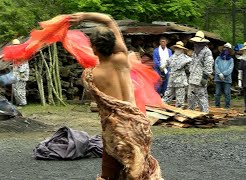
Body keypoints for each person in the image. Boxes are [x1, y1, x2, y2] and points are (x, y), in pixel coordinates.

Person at [69, 12, 162, 180]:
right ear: (114, 45)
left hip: (115, 130)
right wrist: (84, 16)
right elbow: (108, 20)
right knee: (140, 170)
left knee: (110, 174)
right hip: (137, 124)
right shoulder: (122, 59)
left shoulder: (89, 75)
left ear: (94, 48)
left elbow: (98, 102)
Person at [187, 31, 214, 112]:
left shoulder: (207, 51)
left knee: (202, 97)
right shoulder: (195, 52)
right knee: (191, 96)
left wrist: (205, 77)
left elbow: (208, 65)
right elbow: (192, 63)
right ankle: (191, 112)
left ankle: (205, 113)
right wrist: (189, 71)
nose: (195, 43)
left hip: (200, 78)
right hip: (192, 78)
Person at [162, 41, 191, 108]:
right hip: (172, 78)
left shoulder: (187, 59)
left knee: (180, 95)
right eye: (176, 48)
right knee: (167, 94)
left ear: (182, 50)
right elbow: (167, 62)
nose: (177, 49)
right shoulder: (172, 57)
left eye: (179, 48)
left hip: (180, 79)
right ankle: (164, 107)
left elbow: (188, 70)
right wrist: (163, 66)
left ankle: (179, 111)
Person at [214, 42, 234, 109]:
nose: (225, 50)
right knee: (217, 93)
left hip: (227, 78)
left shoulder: (231, 60)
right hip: (218, 78)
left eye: (227, 49)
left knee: (227, 93)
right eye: (225, 48)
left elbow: (230, 69)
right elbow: (216, 66)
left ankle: (227, 106)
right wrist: (219, 73)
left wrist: (224, 74)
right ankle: (217, 105)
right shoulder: (218, 58)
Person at [11, 39, 30, 106]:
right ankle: (18, 103)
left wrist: (21, 72)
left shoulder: (22, 53)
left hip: (21, 74)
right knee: (15, 88)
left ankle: (22, 103)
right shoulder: (15, 53)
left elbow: (23, 64)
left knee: (20, 89)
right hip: (16, 73)